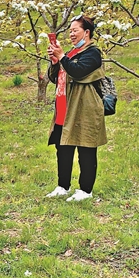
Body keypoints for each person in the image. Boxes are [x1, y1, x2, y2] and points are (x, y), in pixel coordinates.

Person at [45, 15, 107, 202]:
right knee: (62, 146)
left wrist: (62, 56)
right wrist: (56, 63)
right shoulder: (72, 53)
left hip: (84, 106)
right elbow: (56, 78)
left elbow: (78, 72)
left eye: (75, 30)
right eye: (70, 31)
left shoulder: (93, 53)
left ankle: (85, 190)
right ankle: (63, 186)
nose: (71, 34)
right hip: (65, 105)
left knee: (86, 146)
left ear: (86, 32)